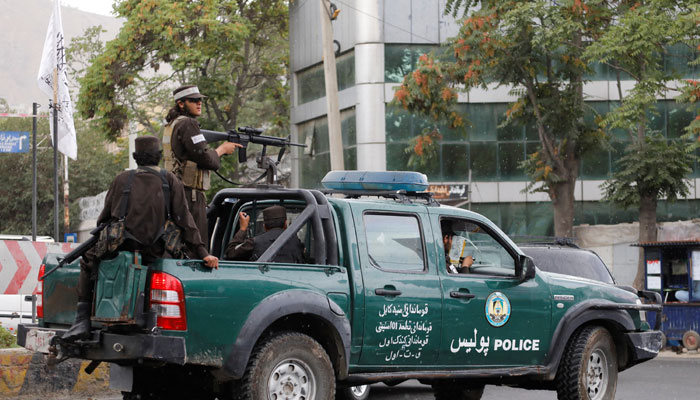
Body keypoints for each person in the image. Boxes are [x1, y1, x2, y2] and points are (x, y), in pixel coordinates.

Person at [62, 136, 219, 342]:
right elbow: (185, 221)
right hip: (157, 251)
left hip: (122, 247)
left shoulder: (121, 179)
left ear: (136, 158)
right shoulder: (169, 180)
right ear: (158, 158)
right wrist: (203, 253)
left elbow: (104, 220)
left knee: (88, 261)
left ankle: (82, 321)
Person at [163, 84, 242, 248]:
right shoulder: (188, 124)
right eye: (194, 100)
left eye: (199, 100)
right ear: (181, 103)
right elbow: (207, 160)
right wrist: (221, 150)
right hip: (189, 195)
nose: (199, 103)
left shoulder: (173, 124)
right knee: (197, 246)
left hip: (177, 192)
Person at [224, 205, 304, 263]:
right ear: (285, 224)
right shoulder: (296, 242)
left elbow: (230, 253)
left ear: (264, 226)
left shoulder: (254, 242)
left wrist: (243, 229)